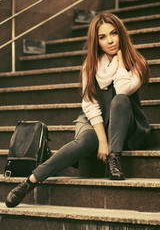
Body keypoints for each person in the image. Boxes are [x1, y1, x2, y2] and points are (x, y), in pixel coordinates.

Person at [5, 12, 150, 208]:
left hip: (125, 124)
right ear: (96, 42)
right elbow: (90, 105)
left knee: (121, 100)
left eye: (113, 33)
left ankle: (114, 161)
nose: (110, 41)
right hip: (97, 122)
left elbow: (123, 90)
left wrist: (122, 61)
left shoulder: (137, 63)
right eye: (102, 37)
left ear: (121, 34)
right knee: (84, 140)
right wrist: (101, 140)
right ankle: (29, 182)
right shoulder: (89, 67)